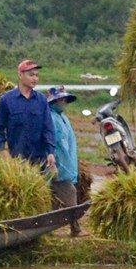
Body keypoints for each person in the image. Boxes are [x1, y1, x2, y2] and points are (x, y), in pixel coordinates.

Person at [0, 59, 58, 178]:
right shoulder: (6, 100)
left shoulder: (41, 100)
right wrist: (2, 150)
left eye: (37, 75)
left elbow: (48, 128)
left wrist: (51, 153)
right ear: (20, 75)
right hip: (16, 160)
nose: (35, 79)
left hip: (39, 161)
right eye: (31, 75)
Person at [45, 86, 84, 235]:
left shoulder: (64, 118)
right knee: (70, 194)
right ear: (53, 101)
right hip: (57, 165)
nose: (63, 102)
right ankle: (76, 228)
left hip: (66, 165)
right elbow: (51, 143)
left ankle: (46, 230)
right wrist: (54, 163)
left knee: (53, 199)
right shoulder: (50, 118)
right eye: (59, 99)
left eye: (64, 99)